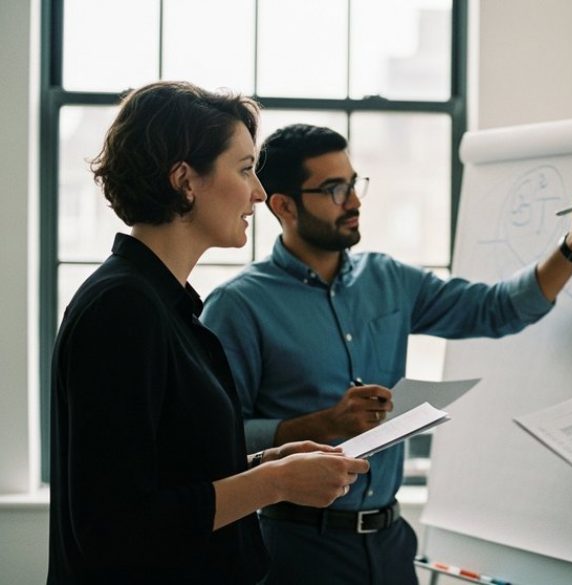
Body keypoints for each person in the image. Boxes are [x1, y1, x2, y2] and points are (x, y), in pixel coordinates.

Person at [199, 123, 572, 584]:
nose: (354, 201)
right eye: (335, 189)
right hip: (295, 551)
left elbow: (495, 310)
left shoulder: (389, 279)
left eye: (354, 184)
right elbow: (214, 442)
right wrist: (321, 426)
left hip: (391, 545)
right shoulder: (238, 305)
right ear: (283, 206)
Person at [48, 81, 370, 584]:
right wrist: (273, 483)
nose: (259, 193)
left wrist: (268, 460)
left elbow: (170, 472)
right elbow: (116, 525)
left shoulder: (160, 303)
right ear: (185, 181)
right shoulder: (122, 309)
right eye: (245, 170)